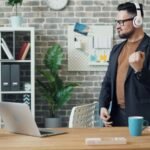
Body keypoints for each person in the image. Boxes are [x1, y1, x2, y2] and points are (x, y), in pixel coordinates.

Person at [99, 2, 150, 127]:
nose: (117, 26)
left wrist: (140, 70)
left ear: (137, 21)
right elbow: (107, 81)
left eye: (121, 22)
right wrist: (103, 106)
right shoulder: (116, 49)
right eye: (116, 22)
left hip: (142, 118)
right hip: (116, 116)